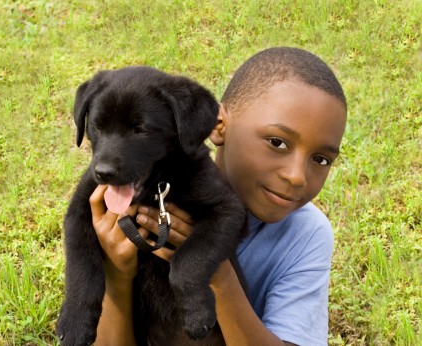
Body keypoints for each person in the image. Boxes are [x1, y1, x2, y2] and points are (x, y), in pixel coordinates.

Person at [89, 47, 347, 346]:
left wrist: (217, 274)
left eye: (321, 159)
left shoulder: (305, 234)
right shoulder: (143, 196)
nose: (296, 176)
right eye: (277, 142)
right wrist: (117, 278)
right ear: (218, 126)